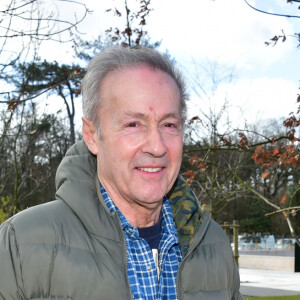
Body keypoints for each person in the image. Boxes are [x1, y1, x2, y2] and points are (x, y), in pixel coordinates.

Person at [0, 46, 243, 300]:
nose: (157, 146)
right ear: (92, 135)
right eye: (133, 124)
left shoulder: (214, 246)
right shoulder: (20, 246)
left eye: (169, 124)